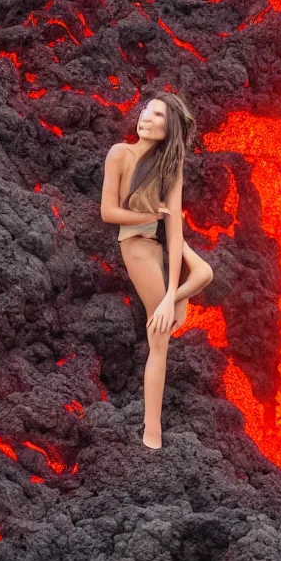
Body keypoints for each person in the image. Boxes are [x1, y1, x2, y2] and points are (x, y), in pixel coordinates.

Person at [99, 92, 213, 449]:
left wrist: (170, 297)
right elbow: (108, 212)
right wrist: (151, 216)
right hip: (136, 244)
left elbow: (176, 230)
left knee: (205, 274)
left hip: (162, 240)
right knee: (159, 338)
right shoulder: (121, 153)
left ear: (168, 129)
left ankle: (170, 301)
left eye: (157, 115)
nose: (146, 117)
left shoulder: (169, 166)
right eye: (146, 109)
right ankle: (153, 431)